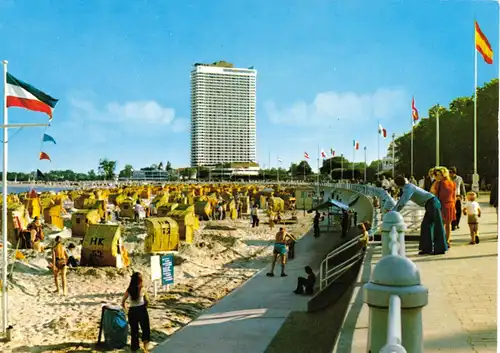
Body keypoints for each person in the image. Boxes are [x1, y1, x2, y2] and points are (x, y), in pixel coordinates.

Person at [392, 175, 447, 255]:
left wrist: (393, 211)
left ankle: (440, 248)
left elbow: (403, 201)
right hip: (430, 203)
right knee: (426, 226)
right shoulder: (408, 187)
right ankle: (426, 248)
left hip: (432, 203)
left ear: (398, 184)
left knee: (437, 225)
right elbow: (402, 201)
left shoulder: (409, 188)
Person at [121, 272, 151, 353]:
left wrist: (126, 311)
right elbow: (147, 301)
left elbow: (123, 302)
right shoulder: (142, 288)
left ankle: (134, 349)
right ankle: (145, 349)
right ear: (140, 280)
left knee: (134, 331)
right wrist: (145, 305)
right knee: (145, 329)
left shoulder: (129, 289)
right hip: (142, 310)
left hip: (132, 311)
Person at [432, 167, 456, 248]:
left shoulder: (439, 183)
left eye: (439, 174)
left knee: (441, 224)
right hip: (450, 204)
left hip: (442, 205)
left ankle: (442, 241)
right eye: (437, 175)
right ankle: (447, 240)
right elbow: (454, 196)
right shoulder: (452, 183)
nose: (438, 176)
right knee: (447, 225)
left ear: (443, 174)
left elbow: (432, 193)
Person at [449, 167, 466, 231]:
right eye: (449, 172)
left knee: (458, 210)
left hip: (458, 196)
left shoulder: (459, 178)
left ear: (454, 172)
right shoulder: (448, 178)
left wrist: (464, 195)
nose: (450, 174)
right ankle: (453, 224)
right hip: (450, 196)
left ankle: (457, 223)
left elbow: (462, 187)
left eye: (451, 172)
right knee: (452, 211)